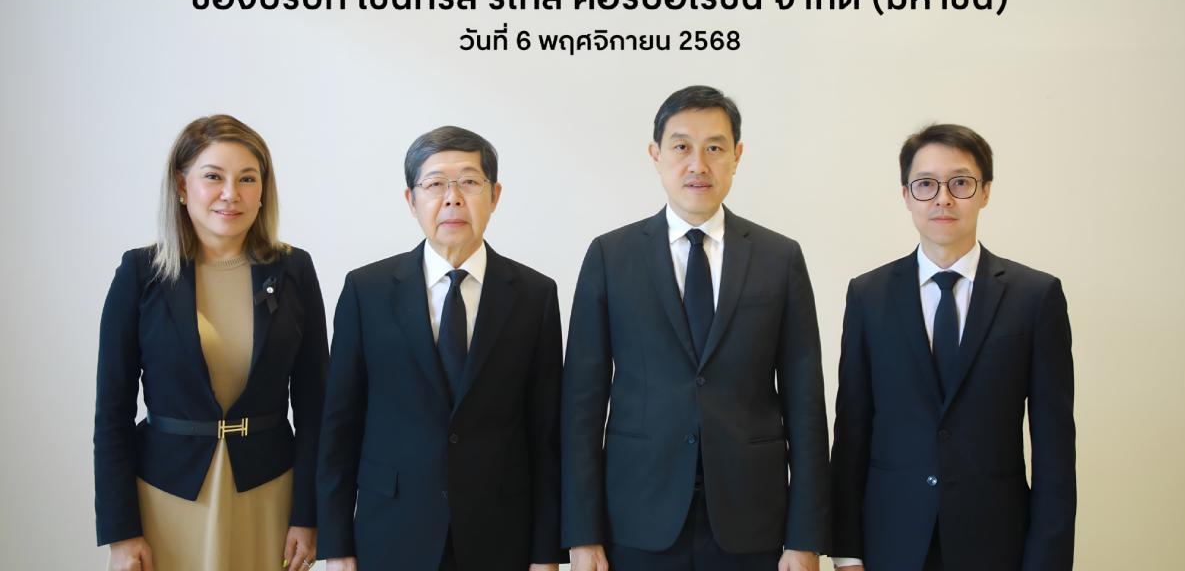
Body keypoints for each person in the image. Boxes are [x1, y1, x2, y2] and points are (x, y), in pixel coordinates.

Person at [562, 86, 831, 571]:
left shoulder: (779, 257)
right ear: (656, 155)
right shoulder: (610, 256)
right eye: (681, 146)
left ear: (737, 156)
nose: (698, 164)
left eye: (715, 148)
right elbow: (581, 404)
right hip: (636, 517)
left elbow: (806, 405)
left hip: (753, 520)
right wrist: (582, 534)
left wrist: (805, 537)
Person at [315, 126, 567, 571]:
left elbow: (546, 433)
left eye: (469, 182)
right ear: (411, 200)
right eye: (435, 184)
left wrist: (546, 554)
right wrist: (336, 546)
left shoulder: (535, 295)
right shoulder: (366, 291)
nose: (452, 198)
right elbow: (339, 425)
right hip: (391, 531)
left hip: (500, 536)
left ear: (495, 195)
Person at [829, 124, 1076, 571]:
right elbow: (852, 433)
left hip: (997, 544)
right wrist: (847, 552)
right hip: (891, 543)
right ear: (906, 196)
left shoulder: (1035, 297)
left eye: (960, 183)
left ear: (985, 192)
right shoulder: (868, 296)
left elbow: (1055, 449)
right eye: (926, 184)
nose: (943, 198)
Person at [94, 115, 330, 571]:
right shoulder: (140, 274)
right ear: (182, 186)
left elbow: (315, 410)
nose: (231, 194)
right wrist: (121, 532)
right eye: (213, 177)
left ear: (263, 190)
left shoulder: (294, 270)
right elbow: (112, 415)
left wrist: (309, 515)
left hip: (267, 494)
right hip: (166, 498)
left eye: (247, 178)